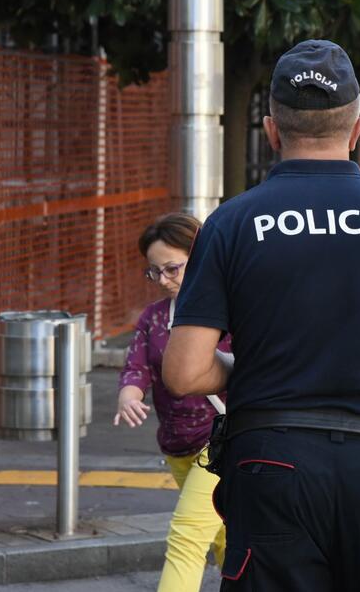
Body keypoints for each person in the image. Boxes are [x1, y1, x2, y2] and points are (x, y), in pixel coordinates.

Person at [163, 40, 360, 590]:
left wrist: (257, 366)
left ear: (272, 131)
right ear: (357, 130)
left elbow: (184, 372)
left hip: (272, 469)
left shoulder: (231, 224)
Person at [114, 212, 228, 592]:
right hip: (177, 443)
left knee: (187, 535)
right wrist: (129, 394)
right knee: (224, 536)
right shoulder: (154, 317)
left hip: (223, 442)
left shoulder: (232, 308)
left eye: (172, 269)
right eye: (154, 272)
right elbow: (137, 365)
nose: (162, 280)